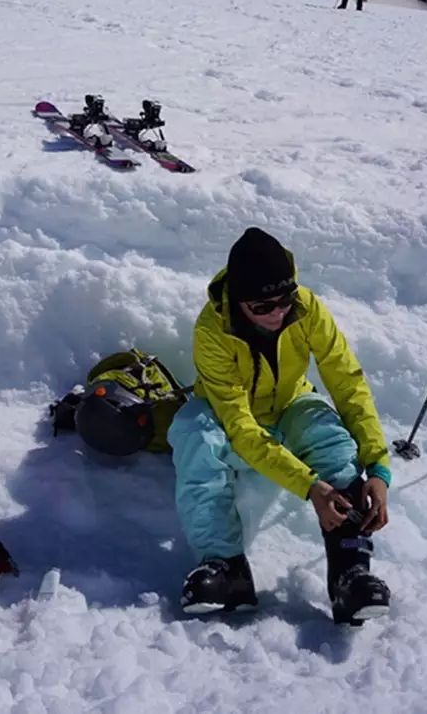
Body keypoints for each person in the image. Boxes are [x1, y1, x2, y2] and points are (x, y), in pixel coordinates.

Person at [168, 227, 391, 624]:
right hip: (230, 416)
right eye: (262, 305)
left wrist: (378, 466)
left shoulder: (306, 309)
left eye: (284, 300)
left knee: (331, 437)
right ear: (238, 302)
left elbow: (346, 380)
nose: (278, 312)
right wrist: (308, 486)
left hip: (290, 403)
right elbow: (239, 426)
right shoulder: (211, 331)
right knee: (194, 433)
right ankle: (226, 568)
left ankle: (349, 573)